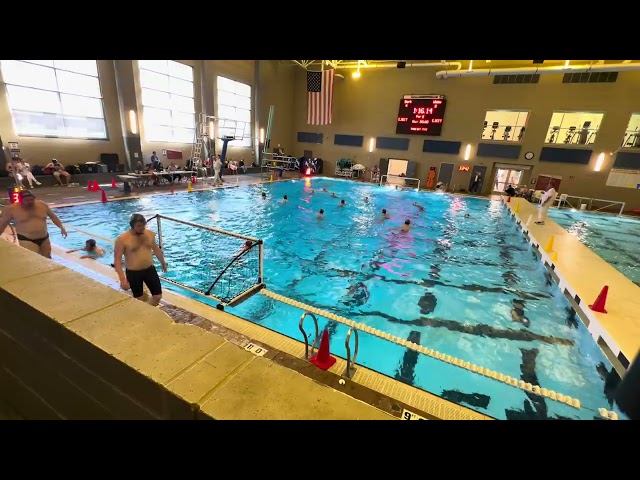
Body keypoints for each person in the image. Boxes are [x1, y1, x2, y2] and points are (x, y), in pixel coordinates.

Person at [113, 213, 168, 306]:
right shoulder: (122, 239)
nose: (141, 228)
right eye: (138, 226)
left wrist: (163, 262)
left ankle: (149, 309)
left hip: (149, 269)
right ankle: (145, 312)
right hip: (133, 273)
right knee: (139, 299)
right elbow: (117, 261)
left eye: (143, 225)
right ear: (132, 225)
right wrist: (123, 279)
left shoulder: (149, 234)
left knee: (157, 296)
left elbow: (156, 249)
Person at [0, 190, 68, 258]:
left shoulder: (42, 205)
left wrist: (61, 228)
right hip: (26, 239)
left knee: (47, 258)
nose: (30, 202)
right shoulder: (12, 209)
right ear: (20, 200)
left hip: (44, 238)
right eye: (27, 200)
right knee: (33, 258)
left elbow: (53, 217)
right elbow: (3, 224)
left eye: (31, 199)